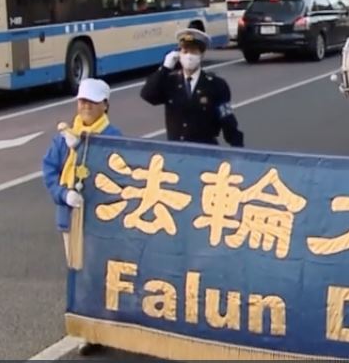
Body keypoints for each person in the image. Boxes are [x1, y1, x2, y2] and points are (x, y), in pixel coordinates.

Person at [41, 78, 122, 356]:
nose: (85, 106)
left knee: (102, 272)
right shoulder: (64, 136)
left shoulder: (113, 137)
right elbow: (50, 169)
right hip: (71, 217)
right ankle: (87, 332)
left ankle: (109, 325)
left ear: (105, 105)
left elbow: (121, 175)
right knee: (79, 272)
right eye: (82, 101)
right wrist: (63, 194)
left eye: (92, 101)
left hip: (102, 219)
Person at [141, 28, 243, 145]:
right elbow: (148, 95)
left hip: (205, 151)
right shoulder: (170, 81)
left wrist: (239, 152)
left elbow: (227, 121)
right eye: (185, 51)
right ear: (179, 54)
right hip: (177, 153)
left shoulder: (216, 84)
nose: (189, 56)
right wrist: (165, 68)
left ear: (202, 54)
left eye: (194, 51)